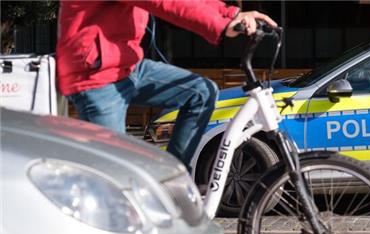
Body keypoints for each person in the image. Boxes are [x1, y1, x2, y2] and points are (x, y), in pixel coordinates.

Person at [56, 0, 276, 171]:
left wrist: (232, 14)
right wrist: (221, 24)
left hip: (126, 65)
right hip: (96, 76)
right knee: (113, 174)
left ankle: (172, 178)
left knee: (201, 93)